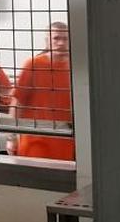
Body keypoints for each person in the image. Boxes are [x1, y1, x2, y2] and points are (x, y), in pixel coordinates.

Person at [7, 21, 74, 160]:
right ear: (47, 41)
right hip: (35, 143)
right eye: (56, 38)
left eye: (65, 38)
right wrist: (11, 136)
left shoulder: (75, 69)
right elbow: (17, 103)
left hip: (66, 144)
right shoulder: (33, 65)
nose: (61, 43)